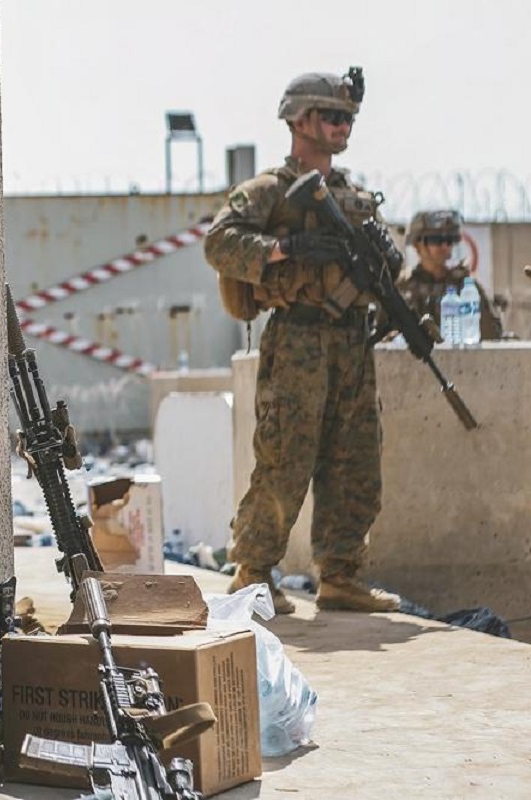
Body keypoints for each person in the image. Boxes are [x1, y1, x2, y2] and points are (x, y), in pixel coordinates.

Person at [204, 69, 401, 615]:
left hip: (353, 342)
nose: (343, 127)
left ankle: (341, 575)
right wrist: (285, 249)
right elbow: (219, 242)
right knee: (285, 458)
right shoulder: (270, 190)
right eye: (333, 117)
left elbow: (390, 269)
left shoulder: (355, 196)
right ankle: (253, 573)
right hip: (299, 339)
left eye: (348, 119)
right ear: (300, 119)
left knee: (356, 461)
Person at [397, 209, 503, 340]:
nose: (445, 246)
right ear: (417, 245)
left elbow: (491, 334)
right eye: (436, 240)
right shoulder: (402, 287)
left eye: (450, 240)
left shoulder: (465, 287)